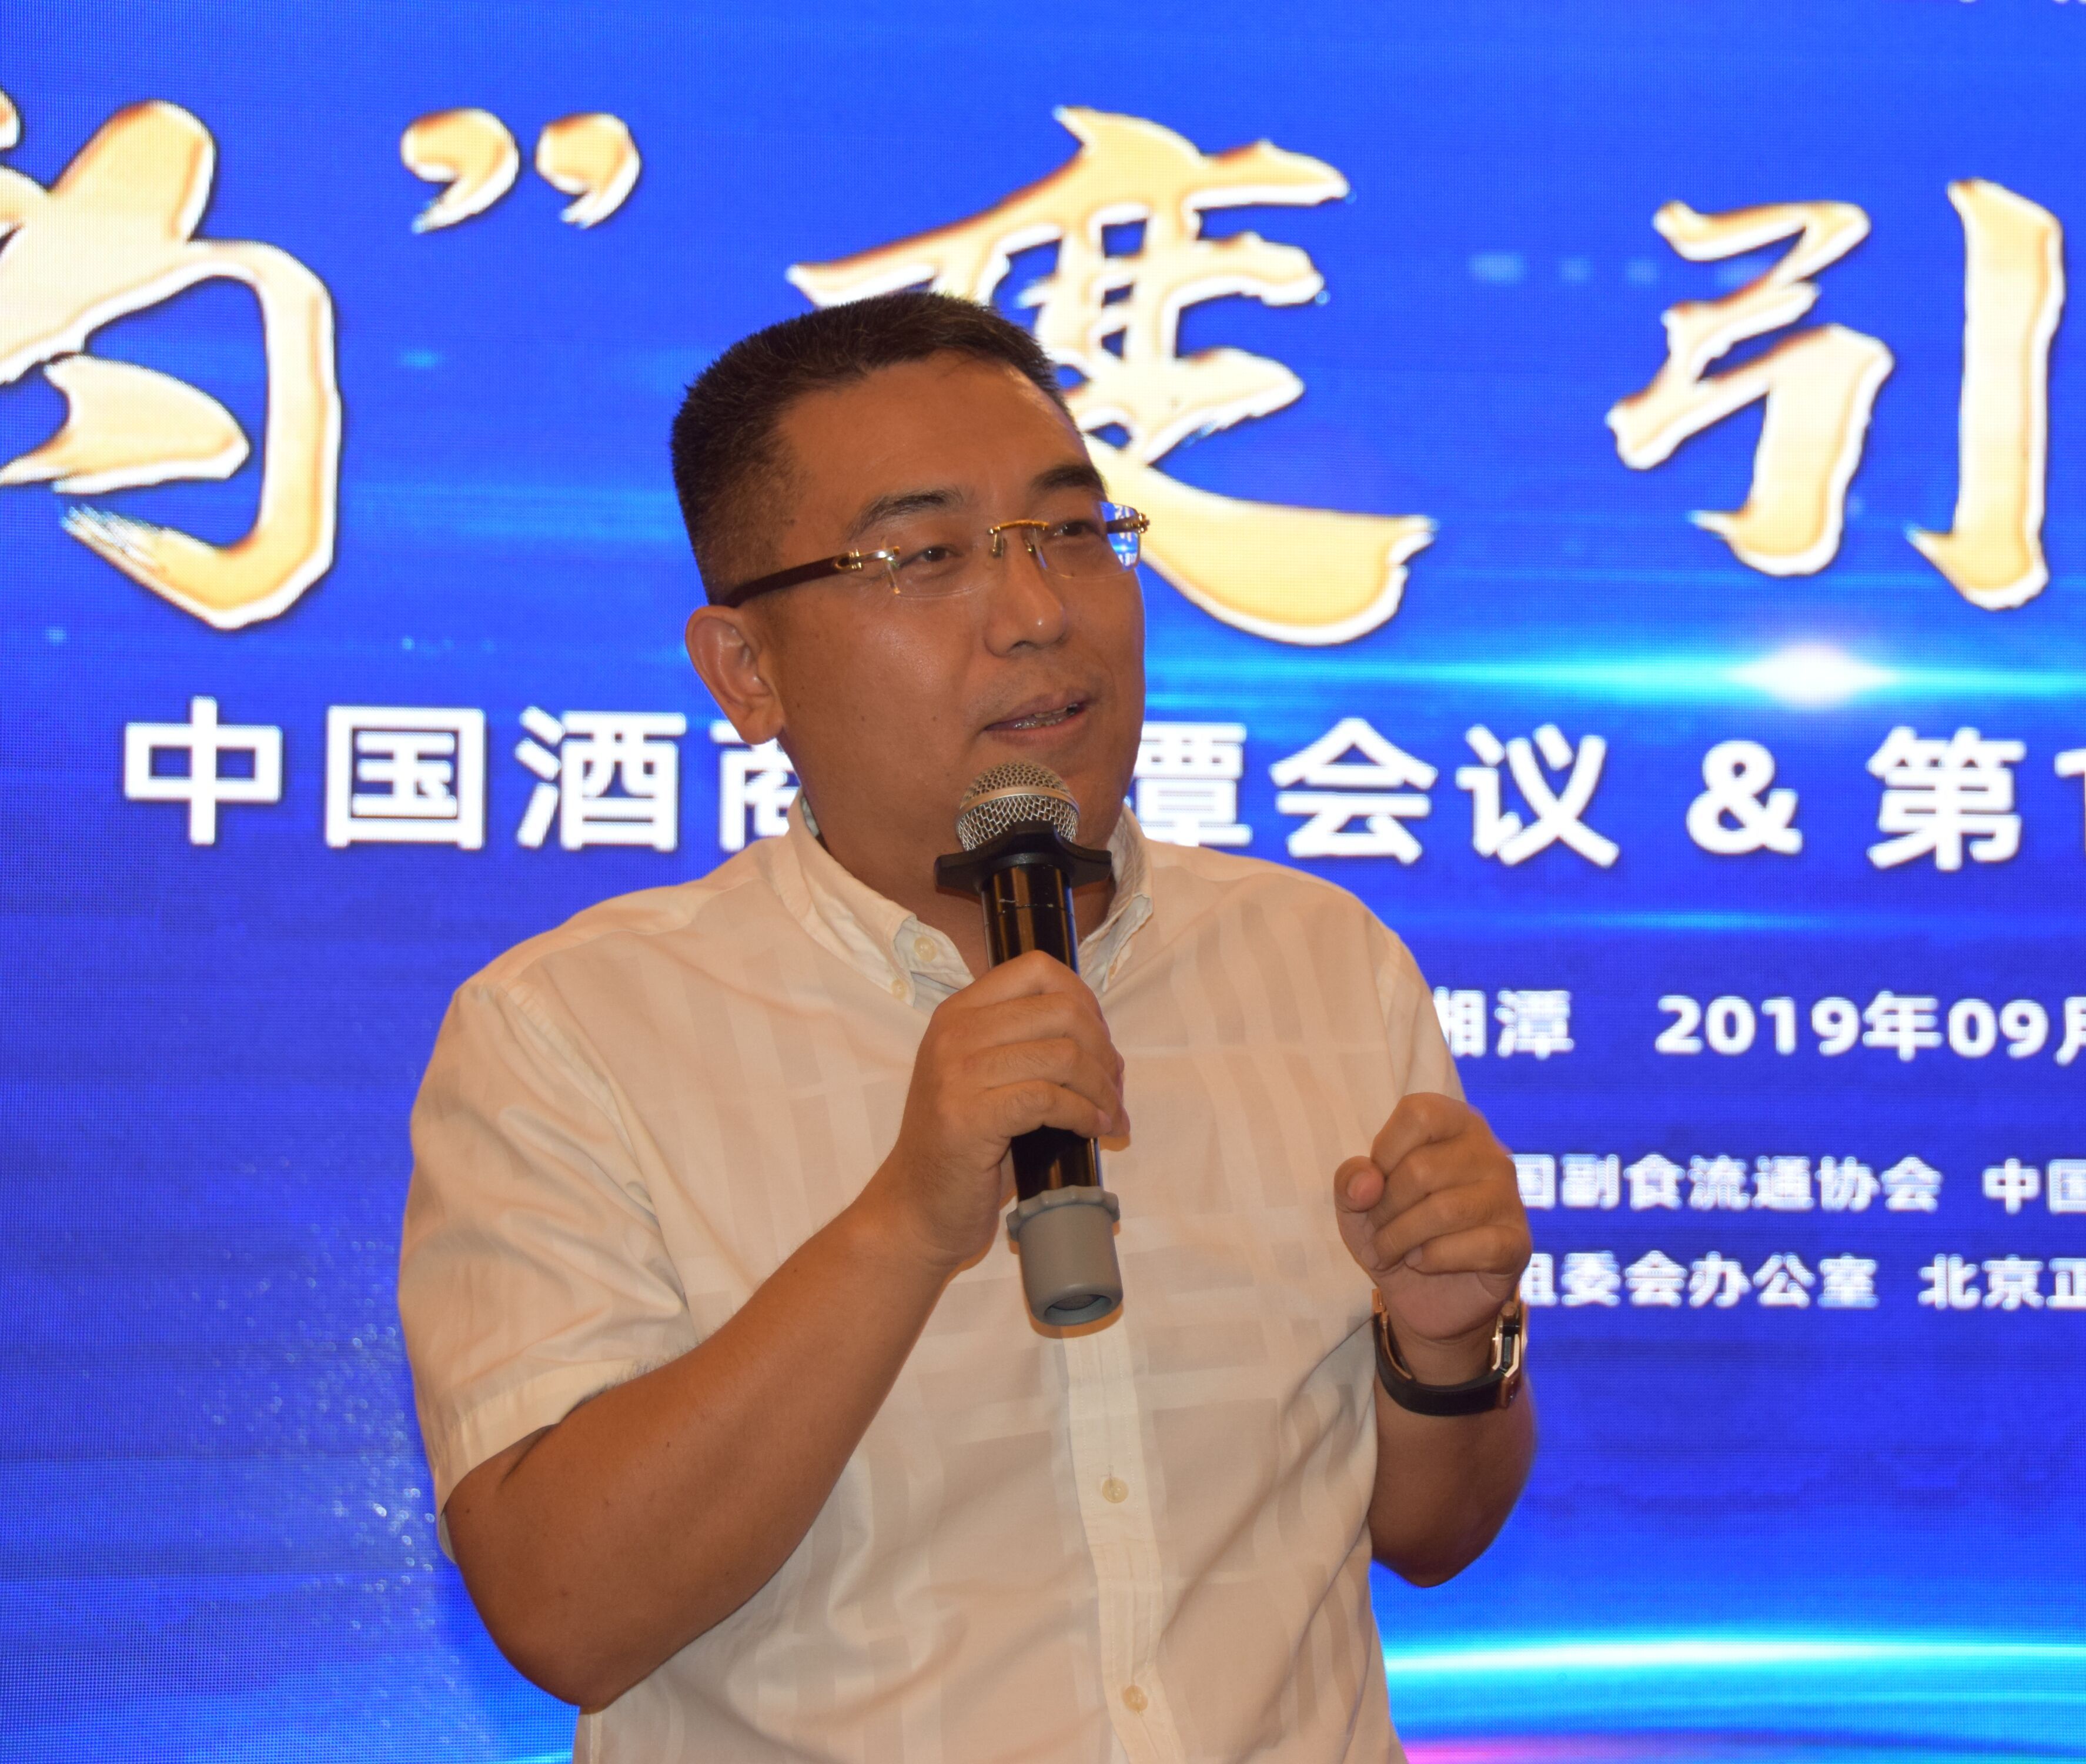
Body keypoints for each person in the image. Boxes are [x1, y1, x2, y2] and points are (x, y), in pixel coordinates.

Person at [397, 290, 1535, 1763]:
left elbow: (1431, 1532)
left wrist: (1449, 1349)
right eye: (925, 558)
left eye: (1069, 530)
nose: (1038, 612)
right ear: (747, 671)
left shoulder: (1322, 964)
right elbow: (567, 1610)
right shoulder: (570, 1031)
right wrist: (905, 1221)